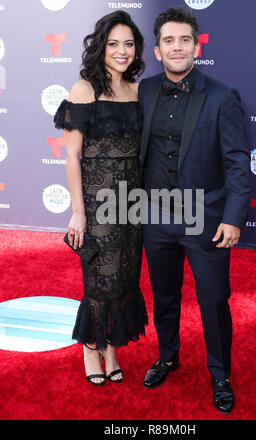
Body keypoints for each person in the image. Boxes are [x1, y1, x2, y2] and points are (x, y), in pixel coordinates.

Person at [138, 6, 250, 414]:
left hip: (205, 217)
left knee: (214, 299)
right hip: (154, 216)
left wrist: (234, 216)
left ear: (197, 46)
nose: (177, 47)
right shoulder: (145, 91)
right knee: (164, 295)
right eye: (169, 40)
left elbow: (238, 160)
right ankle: (168, 355)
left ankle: (220, 373)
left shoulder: (222, 96)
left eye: (185, 39)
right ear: (157, 49)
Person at [54, 11, 148, 386]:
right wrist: (78, 212)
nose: (122, 51)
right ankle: (91, 347)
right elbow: (72, 155)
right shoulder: (84, 89)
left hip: (132, 202)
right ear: (100, 47)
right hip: (97, 203)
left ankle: (111, 345)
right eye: (114, 44)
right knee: (99, 279)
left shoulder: (138, 91)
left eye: (128, 44)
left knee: (125, 276)